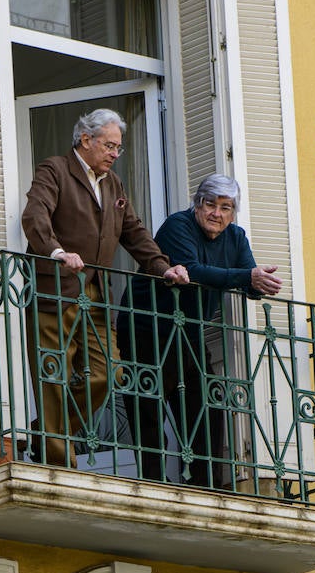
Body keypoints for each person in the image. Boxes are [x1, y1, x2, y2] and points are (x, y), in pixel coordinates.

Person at [21, 108, 190, 468]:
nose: (115, 154)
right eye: (110, 146)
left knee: (108, 371)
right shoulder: (55, 170)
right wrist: (57, 252)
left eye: (119, 148)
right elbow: (35, 215)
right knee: (54, 376)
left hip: (95, 291)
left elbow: (134, 231)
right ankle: (58, 461)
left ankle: (47, 430)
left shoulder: (112, 184)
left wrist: (162, 267)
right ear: (86, 140)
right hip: (56, 287)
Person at [120, 174, 282, 487]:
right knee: (148, 403)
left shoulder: (236, 237)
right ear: (198, 205)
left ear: (233, 213)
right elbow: (192, 270)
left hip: (188, 331)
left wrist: (259, 281)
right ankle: (152, 482)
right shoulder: (177, 225)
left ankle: (206, 484)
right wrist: (247, 276)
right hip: (147, 325)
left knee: (205, 404)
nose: (216, 214)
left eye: (225, 207)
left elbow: (249, 283)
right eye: (210, 204)